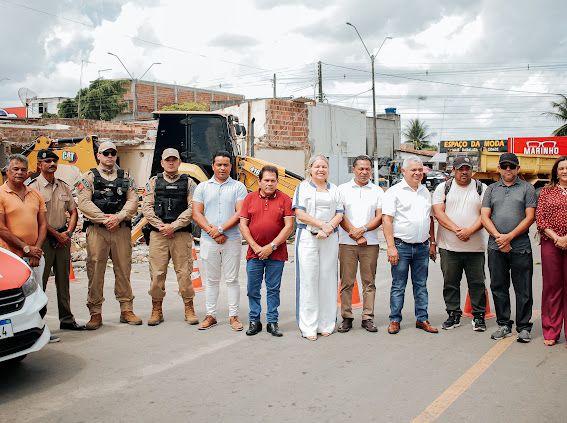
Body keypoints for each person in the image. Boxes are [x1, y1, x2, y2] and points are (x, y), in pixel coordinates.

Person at [77, 141, 142, 330]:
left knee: (123, 269)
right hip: (98, 231)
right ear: (99, 155)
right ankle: (95, 313)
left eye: (113, 153)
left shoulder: (126, 178)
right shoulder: (88, 177)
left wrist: (118, 217)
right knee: (95, 271)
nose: (110, 156)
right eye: (106, 153)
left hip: (121, 230)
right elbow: (84, 202)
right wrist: (104, 219)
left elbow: (133, 201)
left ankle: (126, 309)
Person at [0, 154, 56, 342]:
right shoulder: (1, 194)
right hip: (12, 258)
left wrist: (36, 250)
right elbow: (1, 228)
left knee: (37, 295)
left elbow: (42, 224)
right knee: (15, 299)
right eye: (15, 169)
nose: (19, 172)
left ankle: (39, 330)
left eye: (23, 169)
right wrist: (26, 249)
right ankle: (13, 336)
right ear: (7, 171)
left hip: (35, 256)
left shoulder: (35, 194)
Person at [481, 152, 536, 343]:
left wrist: (509, 237)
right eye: (504, 166)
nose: (508, 169)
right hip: (496, 247)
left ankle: (524, 326)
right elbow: (484, 216)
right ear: (499, 168)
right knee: (498, 286)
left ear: (518, 168)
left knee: (523, 287)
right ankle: (504, 324)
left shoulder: (528, 188)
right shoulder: (491, 189)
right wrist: (499, 238)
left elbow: (530, 217)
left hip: (520, 246)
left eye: (512, 166)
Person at [28, 149, 84, 332]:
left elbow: (73, 211)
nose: (52, 164)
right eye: (47, 161)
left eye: (54, 161)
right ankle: (38, 324)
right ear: (39, 165)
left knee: (63, 282)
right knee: (40, 283)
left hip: (63, 240)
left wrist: (68, 233)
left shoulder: (63, 186)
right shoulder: (33, 188)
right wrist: (56, 235)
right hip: (43, 240)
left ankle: (67, 319)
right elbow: (37, 218)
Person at [382, 155, 438, 335]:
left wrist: (432, 242)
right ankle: (394, 320)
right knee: (398, 285)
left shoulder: (425, 192)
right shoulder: (394, 192)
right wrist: (391, 247)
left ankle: (422, 319)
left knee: (421, 285)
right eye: (413, 170)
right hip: (401, 246)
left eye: (420, 170)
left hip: (422, 247)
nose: (417, 173)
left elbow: (429, 219)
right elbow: (387, 220)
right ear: (404, 171)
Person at [192, 151, 248, 331]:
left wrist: (221, 229)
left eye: (226, 165)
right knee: (211, 280)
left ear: (230, 167)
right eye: (219, 164)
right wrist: (213, 232)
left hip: (231, 239)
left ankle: (234, 316)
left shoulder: (238, 187)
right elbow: (196, 213)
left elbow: (240, 213)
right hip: (209, 241)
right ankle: (211, 315)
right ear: (213, 166)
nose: (222, 168)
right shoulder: (202, 187)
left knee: (232, 279)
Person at [142, 148, 198, 326]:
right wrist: (162, 226)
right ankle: (156, 309)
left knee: (184, 273)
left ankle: (189, 308)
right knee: (157, 273)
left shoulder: (189, 183)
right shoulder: (153, 182)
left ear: (179, 162)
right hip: (158, 234)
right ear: (162, 162)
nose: (171, 162)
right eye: (168, 160)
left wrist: (174, 226)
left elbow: (193, 208)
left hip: (180, 234)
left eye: (174, 159)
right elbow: (147, 208)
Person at [432, 155, 488, 332]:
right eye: (460, 169)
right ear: (453, 170)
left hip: (475, 247)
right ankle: (453, 314)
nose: (464, 172)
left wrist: (469, 231)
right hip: (449, 247)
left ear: (472, 171)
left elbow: (485, 215)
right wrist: (458, 230)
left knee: (477, 283)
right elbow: (438, 213)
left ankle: (478, 316)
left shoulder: (482, 188)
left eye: (467, 169)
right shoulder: (443, 188)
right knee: (450, 283)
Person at [293, 155, 344, 341]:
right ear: (310, 169)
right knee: (308, 279)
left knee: (328, 278)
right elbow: (299, 213)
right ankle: (309, 326)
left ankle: (326, 323)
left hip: (329, 237)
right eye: (317, 166)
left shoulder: (335, 189)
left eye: (324, 166)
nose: (321, 170)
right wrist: (322, 225)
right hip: (308, 236)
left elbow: (339, 213)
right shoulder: (302, 187)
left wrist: (328, 228)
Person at [239, 165, 294, 337]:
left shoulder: (285, 199)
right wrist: (256, 247)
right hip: (254, 254)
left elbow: (289, 226)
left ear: (277, 182)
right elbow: (243, 225)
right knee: (252, 289)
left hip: (276, 254)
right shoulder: (249, 198)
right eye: (266, 180)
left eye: (273, 180)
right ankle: (254, 321)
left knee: (273, 289)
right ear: (259, 181)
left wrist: (271, 247)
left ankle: (272, 322)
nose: (269, 183)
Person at [337, 155, 383, 333]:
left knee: (369, 282)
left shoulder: (377, 191)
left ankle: (367, 317)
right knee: (347, 282)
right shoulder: (342, 189)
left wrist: (362, 230)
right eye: (361, 168)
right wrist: (355, 235)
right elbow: (340, 215)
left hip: (370, 244)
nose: (364, 172)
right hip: (346, 243)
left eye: (367, 169)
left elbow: (379, 217)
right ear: (354, 169)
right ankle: (346, 317)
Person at [535, 155, 567, 346]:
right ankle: (551, 331)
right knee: (552, 287)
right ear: (556, 172)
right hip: (550, 242)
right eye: (561, 168)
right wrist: (557, 238)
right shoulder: (547, 191)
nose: (565, 171)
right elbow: (540, 218)